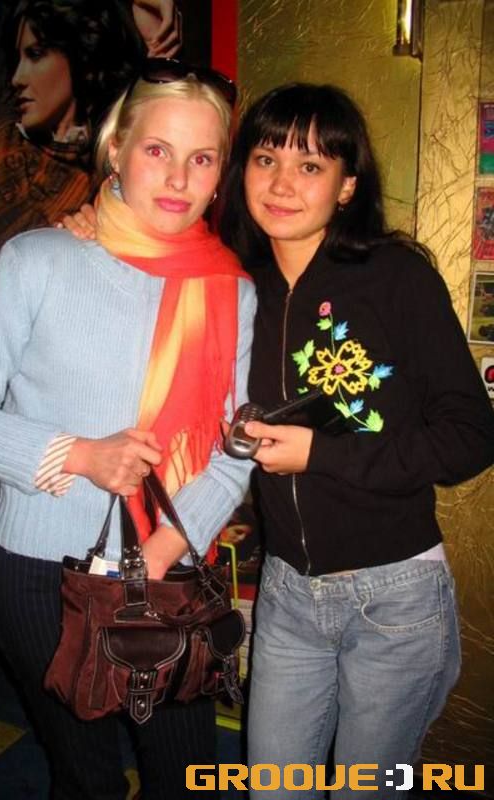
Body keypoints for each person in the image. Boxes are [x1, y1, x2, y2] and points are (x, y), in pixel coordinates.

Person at [0, 61, 256, 800]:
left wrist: (160, 557)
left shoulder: (231, 288)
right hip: (41, 572)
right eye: (157, 150)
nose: (178, 178)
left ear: (219, 174)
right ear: (116, 148)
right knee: (85, 777)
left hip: (169, 569)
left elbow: (234, 451)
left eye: (202, 158)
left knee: (187, 776)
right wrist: (77, 455)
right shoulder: (37, 260)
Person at [218, 83, 494, 798]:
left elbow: (471, 435)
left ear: (347, 185)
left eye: (310, 165)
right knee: (274, 788)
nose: (282, 183)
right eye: (267, 158)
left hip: (394, 595)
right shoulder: (238, 286)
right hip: (286, 592)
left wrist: (321, 455)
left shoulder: (395, 276)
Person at [0, 0, 180, 348]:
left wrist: (156, 50)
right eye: (18, 57)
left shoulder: (108, 165)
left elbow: (157, 126)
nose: (17, 77)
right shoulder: (8, 111)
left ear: (84, 59)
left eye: (35, 54)